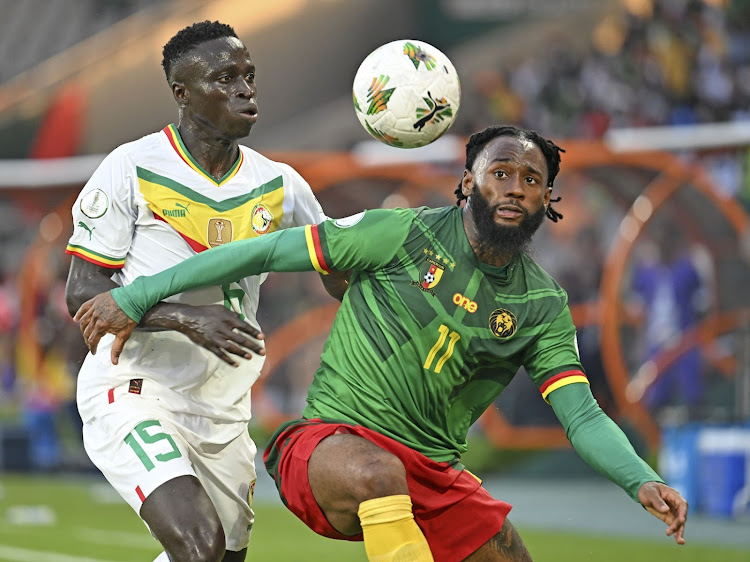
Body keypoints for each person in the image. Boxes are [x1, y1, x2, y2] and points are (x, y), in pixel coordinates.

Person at [74, 125, 688, 562]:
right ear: (468, 181)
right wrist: (136, 296)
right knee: (377, 470)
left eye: (532, 179)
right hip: (325, 452)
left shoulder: (543, 306)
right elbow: (260, 249)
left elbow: (580, 415)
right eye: (500, 172)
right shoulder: (396, 233)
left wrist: (641, 479)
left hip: (435, 473)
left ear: (547, 200)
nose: (515, 187)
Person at [64, 21, 348, 562]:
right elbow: (83, 295)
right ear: (182, 93)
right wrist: (186, 318)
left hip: (224, 409)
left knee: (221, 558)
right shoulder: (132, 167)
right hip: (136, 389)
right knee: (200, 545)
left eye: (249, 75)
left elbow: (339, 276)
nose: (245, 89)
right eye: (224, 78)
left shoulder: (282, 185)